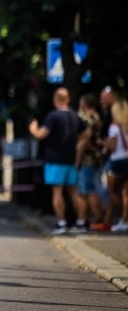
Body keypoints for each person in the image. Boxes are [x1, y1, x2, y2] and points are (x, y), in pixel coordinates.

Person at [29, 87, 87, 234]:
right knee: (74, 192)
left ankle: (61, 223)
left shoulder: (53, 116)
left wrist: (34, 130)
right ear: (68, 99)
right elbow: (86, 133)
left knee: (57, 192)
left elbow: (42, 134)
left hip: (55, 159)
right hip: (71, 159)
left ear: (55, 100)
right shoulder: (75, 116)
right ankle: (81, 222)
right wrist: (78, 145)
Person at [76, 93, 105, 229]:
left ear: (84, 104)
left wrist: (78, 159)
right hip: (95, 157)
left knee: (86, 190)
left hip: (87, 158)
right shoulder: (97, 116)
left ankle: (97, 218)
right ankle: (88, 219)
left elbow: (84, 140)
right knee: (87, 188)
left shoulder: (87, 119)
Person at [103, 98, 128, 232]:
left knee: (113, 192)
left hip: (117, 160)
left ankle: (120, 218)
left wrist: (104, 145)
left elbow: (112, 146)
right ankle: (125, 220)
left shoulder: (114, 126)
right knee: (126, 193)